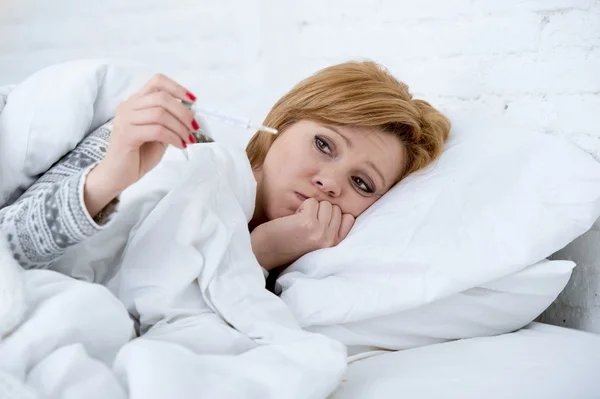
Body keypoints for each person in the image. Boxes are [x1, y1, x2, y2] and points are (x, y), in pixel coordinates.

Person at [0, 60, 450, 274]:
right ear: (281, 124)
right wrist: (108, 180)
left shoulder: (300, 281)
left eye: (361, 182)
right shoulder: (172, 145)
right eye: (324, 144)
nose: (329, 183)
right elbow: (8, 246)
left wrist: (261, 255)